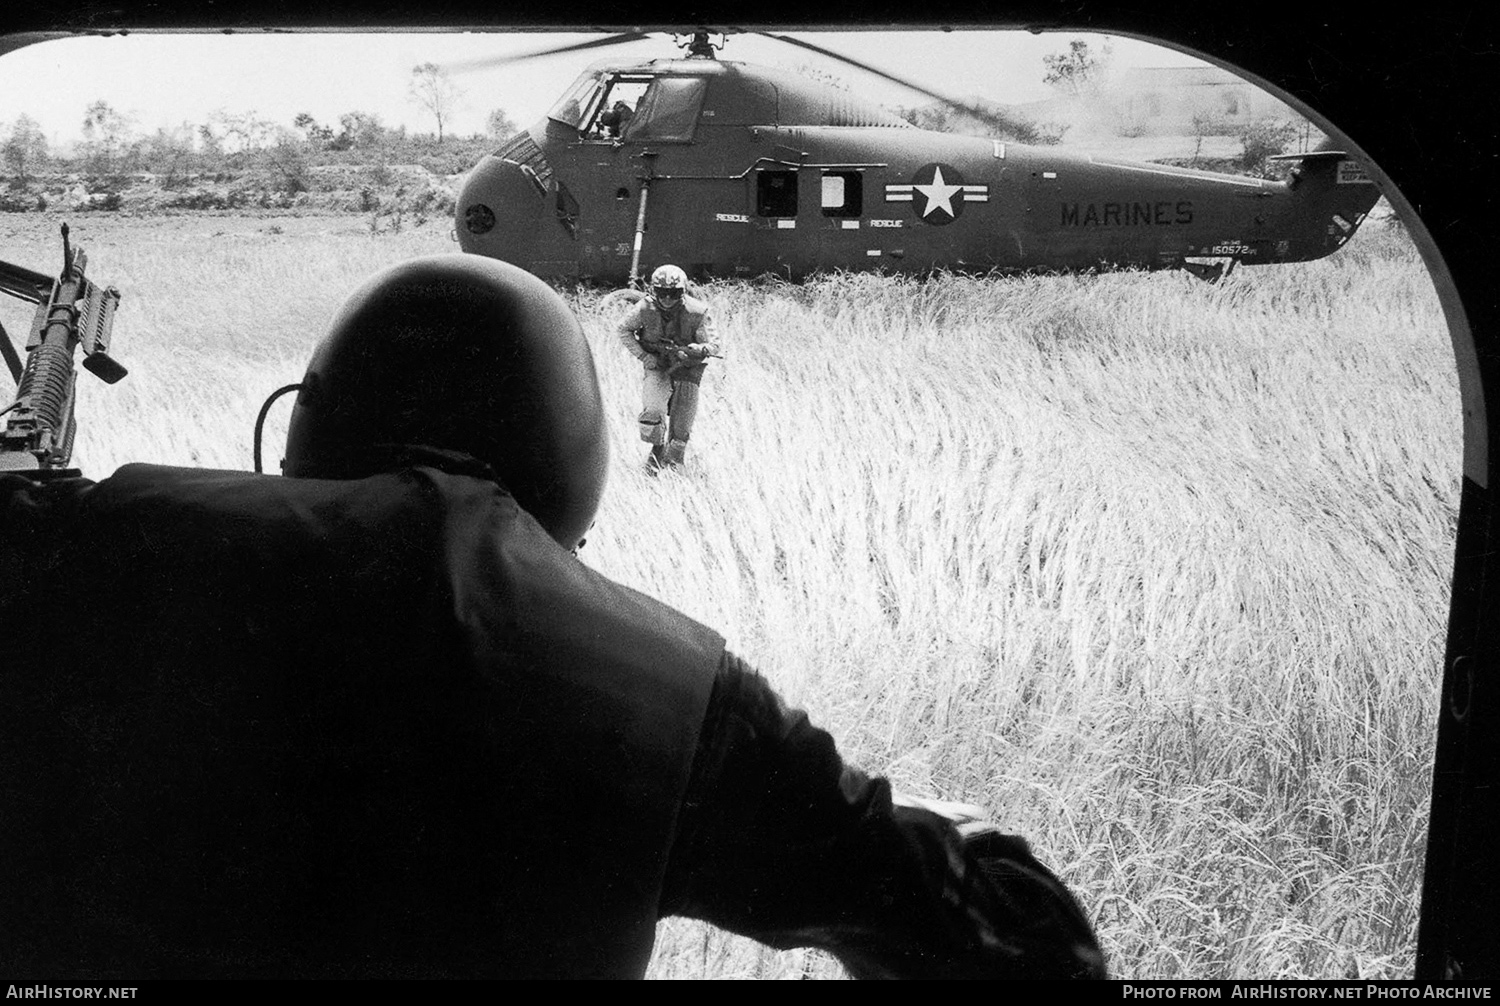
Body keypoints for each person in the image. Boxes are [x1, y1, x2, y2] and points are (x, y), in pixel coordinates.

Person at [0, 254, 1107, 980]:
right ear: (574, 457)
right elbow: (1012, 927)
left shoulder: (70, 545)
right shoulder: (680, 700)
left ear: (310, 424)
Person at [616, 263, 721, 470]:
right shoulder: (644, 308)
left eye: (673, 294)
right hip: (658, 367)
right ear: (654, 291)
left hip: (687, 370)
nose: (666, 299)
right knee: (653, 412)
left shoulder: (697, 312)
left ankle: (675, 467)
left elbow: (715, 344)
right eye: (662, 293)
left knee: (681, 427)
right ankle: (657, 450)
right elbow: (623, 330)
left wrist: (700, 349)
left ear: (682, 292)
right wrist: (644, 356)